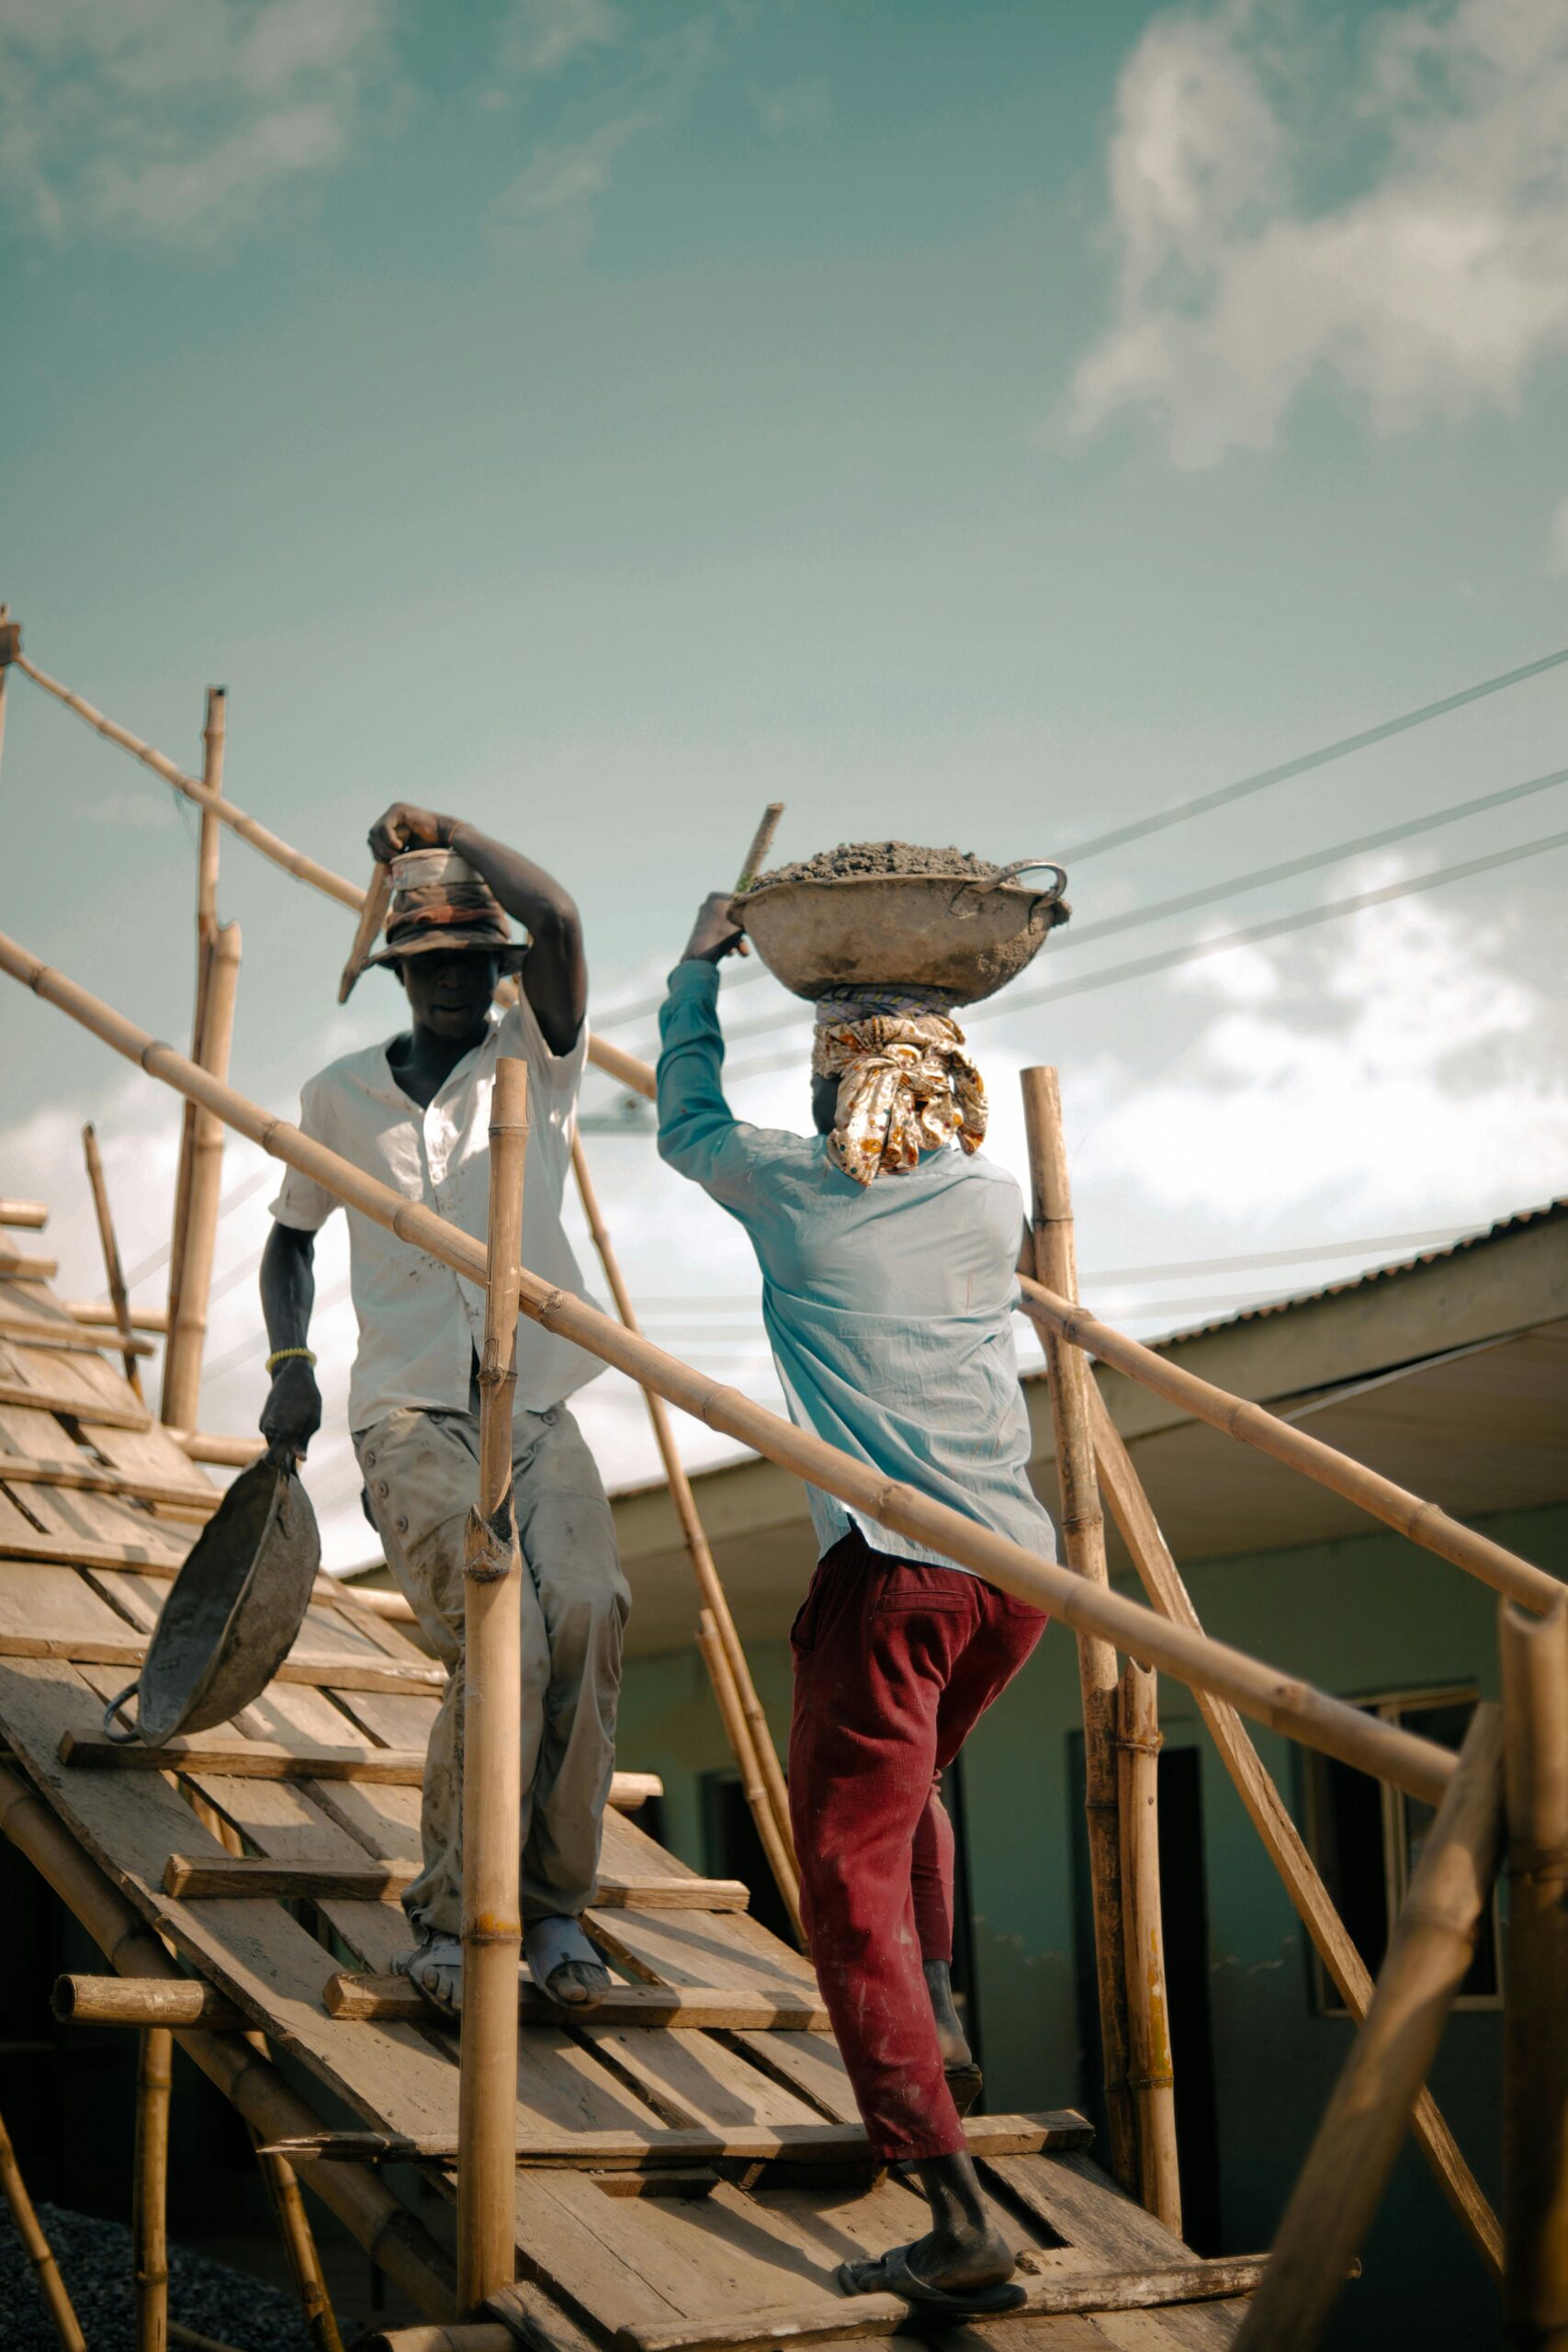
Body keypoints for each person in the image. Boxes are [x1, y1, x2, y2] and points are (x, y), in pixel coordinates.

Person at [656, 890, 1058, 2323]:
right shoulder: (991, 1200)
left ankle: (953, 2213)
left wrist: (696, 973)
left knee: (843, 1874)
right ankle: (935, 2010)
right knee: (915, 1795)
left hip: (891, 1576)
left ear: (839, 1085)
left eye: (824, 1069)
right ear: (947, 1085)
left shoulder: (795, 1186)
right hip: (1017, 1574)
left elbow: (684, 1123)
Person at [259, 805, 628, 2016]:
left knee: (586, 1608)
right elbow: (289, 1244)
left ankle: (557, 1907)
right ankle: (454, 1922)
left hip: (538, 1407)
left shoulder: (537, 1057)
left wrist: (454, 830)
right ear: (400, 976)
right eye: (433, 965)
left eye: (475, 961)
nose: (458, 982)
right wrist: (289, 1363)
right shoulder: (340, 1097)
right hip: (413, 1412)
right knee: (499, 1625)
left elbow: (563, 915)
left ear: (498, 967)